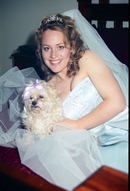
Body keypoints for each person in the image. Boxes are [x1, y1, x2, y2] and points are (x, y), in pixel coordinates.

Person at [0, 9, 128, 191]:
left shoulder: (87, 59)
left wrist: (76, 125)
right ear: (40, 50)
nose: (53, 55)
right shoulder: (47, 87)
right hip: (83, 145)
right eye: (47, 48)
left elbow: (117, 103)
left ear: (73, 46)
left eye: (60, 46)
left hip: (116, 131)